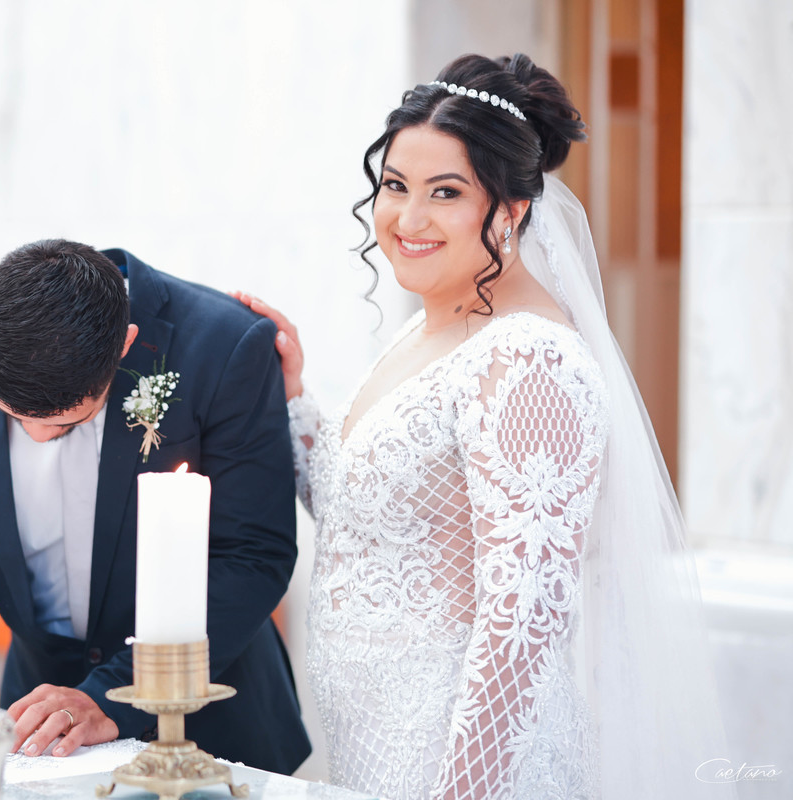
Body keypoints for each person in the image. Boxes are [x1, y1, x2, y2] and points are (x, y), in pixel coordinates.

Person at [237, 54, 731, 799]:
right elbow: (364, 515)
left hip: (468, 764)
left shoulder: (529, 358)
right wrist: (292, 399)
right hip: (371, 746)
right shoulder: (425, 331)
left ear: (511, 209)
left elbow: (523, 620)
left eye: (446, 192)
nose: (408, 219)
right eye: (395, 185)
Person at [0, 239, 310, 774]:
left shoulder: (226, 345)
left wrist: (111, 693)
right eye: (12, 416)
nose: (35, 436)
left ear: (124, 345)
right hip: (38, 738)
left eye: (64, 424)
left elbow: (253, 555)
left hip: (214, 731)